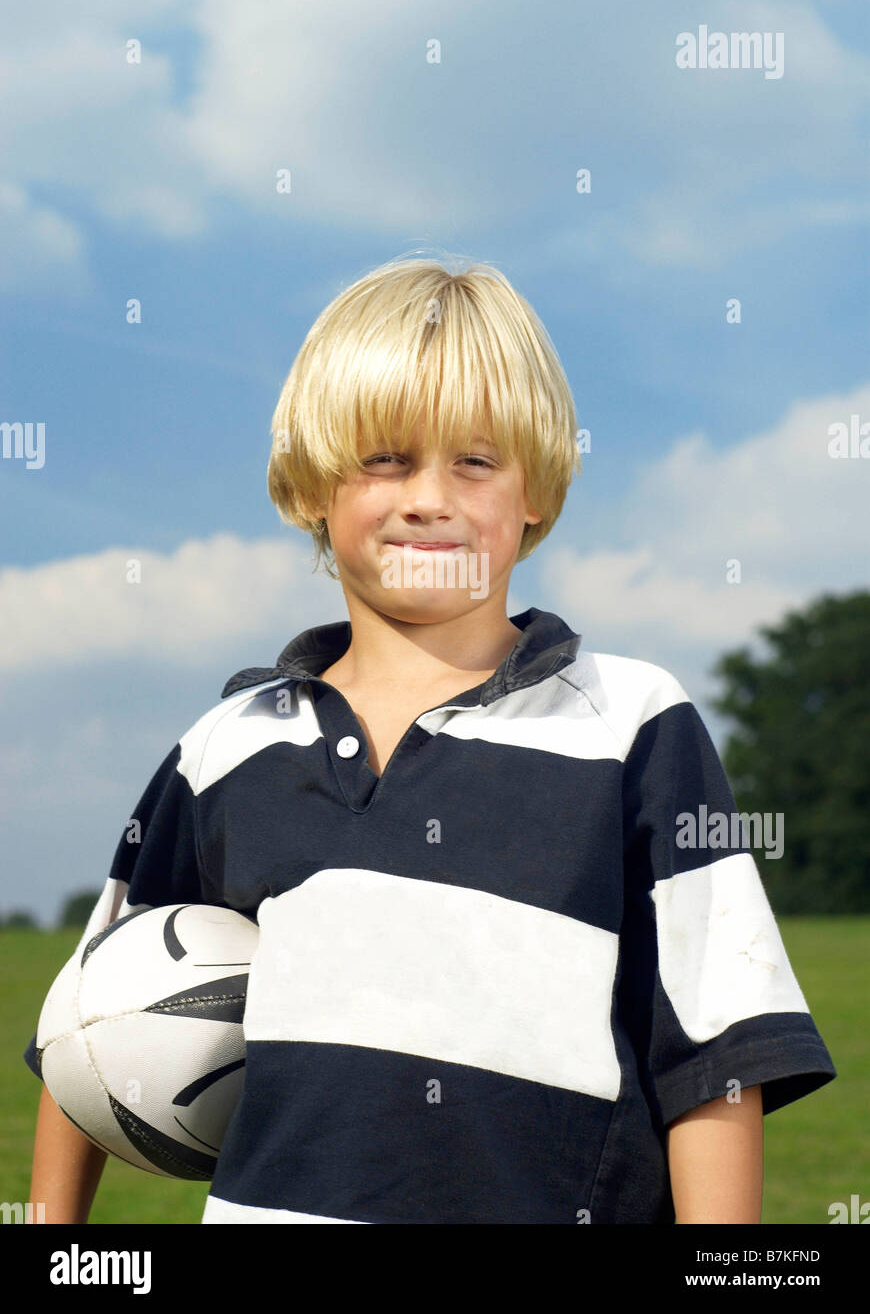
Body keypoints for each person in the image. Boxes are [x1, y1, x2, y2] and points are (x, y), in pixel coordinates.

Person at [25, 254, 836, 1224]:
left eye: (476, 460)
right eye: (386, 459)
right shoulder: (226, 748)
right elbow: (92, 1013)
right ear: (310, 486)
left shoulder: (632, 725)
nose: (429, 497)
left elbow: (716, 1056)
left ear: (535, 487)